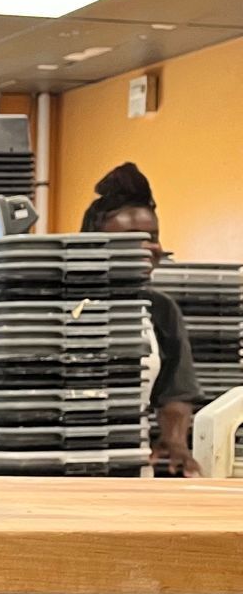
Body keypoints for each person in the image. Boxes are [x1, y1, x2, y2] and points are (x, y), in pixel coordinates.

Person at [81, 162, 202, 476]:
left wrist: (175, 442)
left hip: (131, 465)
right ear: (92, 246)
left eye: (153, 236)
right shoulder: (62, 306)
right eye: (132, 239)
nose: (149, 247)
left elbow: (175, 392)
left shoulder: (161, 309)